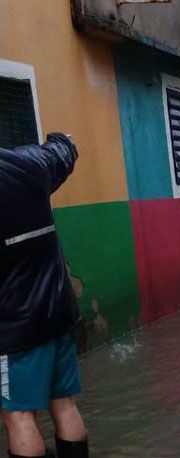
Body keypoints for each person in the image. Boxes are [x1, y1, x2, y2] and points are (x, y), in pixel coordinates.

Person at [0, 133, 87, 458]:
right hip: (58, 313)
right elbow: (63, 150)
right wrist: (61, 138)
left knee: (18, 416)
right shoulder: (28, 163)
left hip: (14, 330)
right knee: (64, 404)